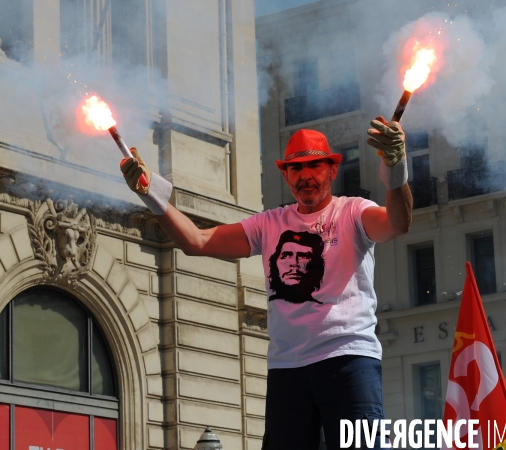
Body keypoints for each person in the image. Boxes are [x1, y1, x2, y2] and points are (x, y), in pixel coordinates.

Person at [120, 116, 413, 449]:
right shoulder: (269, 224)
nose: (305, 176)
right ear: (285, 174)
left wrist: (396, 166)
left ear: (332, 170)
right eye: (295, 168)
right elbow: (196, 241)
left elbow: (397, 223)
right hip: (288, 367)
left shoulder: (353, 212)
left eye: (315, 166)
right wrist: (151, 193)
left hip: (347, 357)